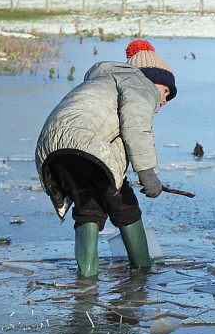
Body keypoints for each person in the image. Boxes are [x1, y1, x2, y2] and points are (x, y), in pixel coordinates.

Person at [35, 39, 176, 278]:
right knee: (124, 204)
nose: (163, 101)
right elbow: (136, 125)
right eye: (166, 92)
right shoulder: (140, 83)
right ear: (156, 79)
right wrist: (147, 172)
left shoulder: (100, 80)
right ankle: (142, 271)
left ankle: (86, 281)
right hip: (91, 143)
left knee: (87, 207)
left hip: (52, 146)